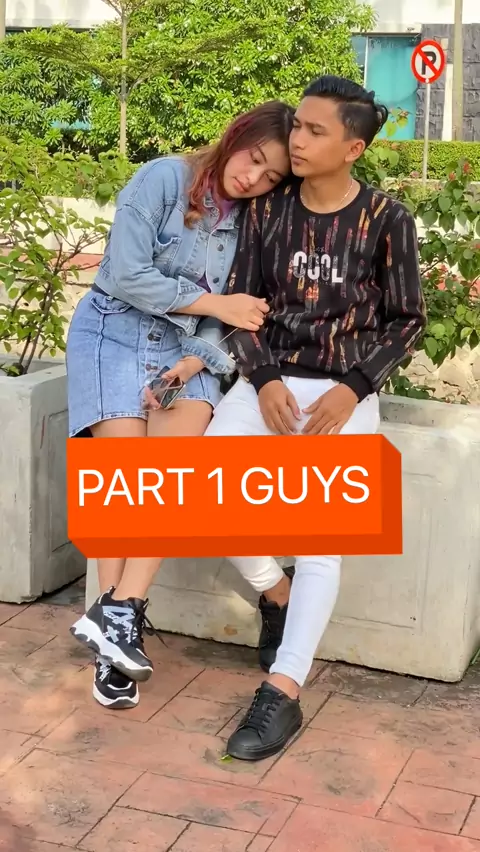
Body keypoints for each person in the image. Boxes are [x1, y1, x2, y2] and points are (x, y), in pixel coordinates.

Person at [204, 75, 427, 761]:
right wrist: (264, 378)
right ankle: (276, 592)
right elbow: (241, 304)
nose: (296, 140)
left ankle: (285, 687)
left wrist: (354, 389)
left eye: (314, 131)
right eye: (296, 125)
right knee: (201, 489)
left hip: (342, 395)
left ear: (353, 147)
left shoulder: (386, 220)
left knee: (322, 540)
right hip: (268, 382)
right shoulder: (267, 212)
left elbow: (407, 320)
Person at [67, 100, 294, 710]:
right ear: (235, 136)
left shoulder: (250, 221)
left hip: (185, 350)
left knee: (169, 478)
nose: (252, 178)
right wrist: (216, 305)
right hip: (112, 333)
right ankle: (117, 637)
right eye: (253, 159)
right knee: (123, 486)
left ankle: (118, 613)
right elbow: (125, 274)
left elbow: (242, 310)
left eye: (270, 175)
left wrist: (196, 362)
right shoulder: (164, 178)